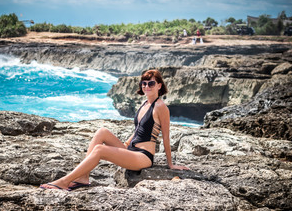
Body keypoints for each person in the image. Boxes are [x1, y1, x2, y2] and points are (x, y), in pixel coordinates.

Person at [40, 69, 190, 191]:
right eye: (143, 83)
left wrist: (170, 165)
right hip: (131, 150)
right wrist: (125, 144)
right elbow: (139, 129)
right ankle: (83, 178)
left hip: (143, 157)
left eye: (151, 83)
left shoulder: (161, 107)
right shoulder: (144, 103)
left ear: (159, 86)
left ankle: (65, 181)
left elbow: (165, 137)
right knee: (102, 132)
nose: (146, 86)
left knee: (99, 150)